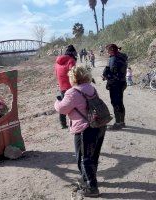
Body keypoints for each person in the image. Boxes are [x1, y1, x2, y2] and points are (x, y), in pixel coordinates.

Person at [54, 66, 106, 197]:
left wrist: (57, 101)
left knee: (84, 159)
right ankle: (89, 179)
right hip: (98, 126)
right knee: (93, 156)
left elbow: (62, 109)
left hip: (84, 129)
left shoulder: (72, 92)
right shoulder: (91, 87)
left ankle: (92, 187)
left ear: (73, 77)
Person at [102, 44, 128, 130]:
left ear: (111, 50)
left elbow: (113, 74)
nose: (106, 52)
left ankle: (117, 123)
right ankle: (122, 122)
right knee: (120, 102)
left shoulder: (113, 58)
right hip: (122, 82)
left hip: (115, 84)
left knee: (115, 103)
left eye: (107, 50)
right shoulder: (122, 57)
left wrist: (105, 76)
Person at [54, 45, 77, 129]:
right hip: (71, 86)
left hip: (62, 87)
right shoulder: (71, 60)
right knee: (75, 105)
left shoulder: (57, 62)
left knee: (64, 105)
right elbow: (73, 74)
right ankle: (74, 123)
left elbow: (56, 74)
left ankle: (63, 124)